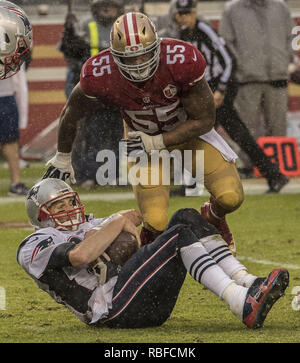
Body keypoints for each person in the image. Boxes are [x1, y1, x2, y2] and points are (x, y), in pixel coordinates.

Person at [42, 11, 245, 254]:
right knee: (156, 220)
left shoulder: (181, 59)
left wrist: (158, 141)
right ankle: (147, 265)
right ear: (114, 56)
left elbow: (205, 119)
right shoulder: (99, 72)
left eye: (144, 55)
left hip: (189, 135)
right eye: (130, 58)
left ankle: (212, 217)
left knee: (230, 197)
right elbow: (71, 112)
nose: (139, 64)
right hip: (141, 141)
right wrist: (63, 157)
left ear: (157, 47)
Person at [17, 178, 289, 329]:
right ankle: (240, 302)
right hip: (112, 309)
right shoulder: (36, 242)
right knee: (179, 234)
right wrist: (117, 223)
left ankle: (247, 282)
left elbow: (132, 218)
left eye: (70, 201)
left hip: (139, 298)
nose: (68, 209)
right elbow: (79, 256)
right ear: (41, 215)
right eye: (58, 206)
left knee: (186, 216)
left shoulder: (89, 222)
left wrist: (121, 220)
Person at [159, 0, 289, 195]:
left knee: (194, 134)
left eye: (188, 14)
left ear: (195, 13)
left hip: (216, 89)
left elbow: (228, 60)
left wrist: (220, 90)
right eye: (181, 14)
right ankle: (274, 175)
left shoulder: (203, 29)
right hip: (204, 91)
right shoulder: (182, 33)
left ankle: (191, 185)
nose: (185, 18)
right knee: (237, 134)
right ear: (176, 15)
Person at [59, 0, 124, 188]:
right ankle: (87, 175)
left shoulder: (124, 26)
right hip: (93, 91)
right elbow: (69, 52)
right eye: (103, 5)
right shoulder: (84, 25)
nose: (107, 9)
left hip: (118, 91)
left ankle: (113, 175)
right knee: (90, 134)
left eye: (111, 5)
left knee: (116, 134)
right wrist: (68, 34)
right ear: (95, 8)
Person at [219, 0, 297, 139]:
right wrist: (241, 66)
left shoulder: (280, 7)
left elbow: (292, 35)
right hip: (247, 81)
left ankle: (276, 160)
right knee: (247, 130)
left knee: (278, 129)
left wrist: (287, 60)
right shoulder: (232, 9)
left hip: (277, 79)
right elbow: (225, 42)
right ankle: (248, 161)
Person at [0, 1, 32, 195]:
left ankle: (16, 182)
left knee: (11, 140)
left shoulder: (9, 26)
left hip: (5, 94)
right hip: (6, 95)